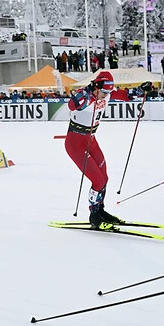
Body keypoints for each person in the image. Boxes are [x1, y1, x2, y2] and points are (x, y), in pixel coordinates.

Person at [64, 71, 149, 228]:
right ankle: (93, 214)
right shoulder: (85, 95)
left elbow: (125, 95)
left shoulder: (106, 93)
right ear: (96, 86)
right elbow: (72, 104)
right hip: (75, 142)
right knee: (97, 180)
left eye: (108, 92)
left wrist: (141, 89)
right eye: (104, 92)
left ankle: (100, 209)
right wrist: (90, 94)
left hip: (91, 140)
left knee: (104, 178)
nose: (106, 96)